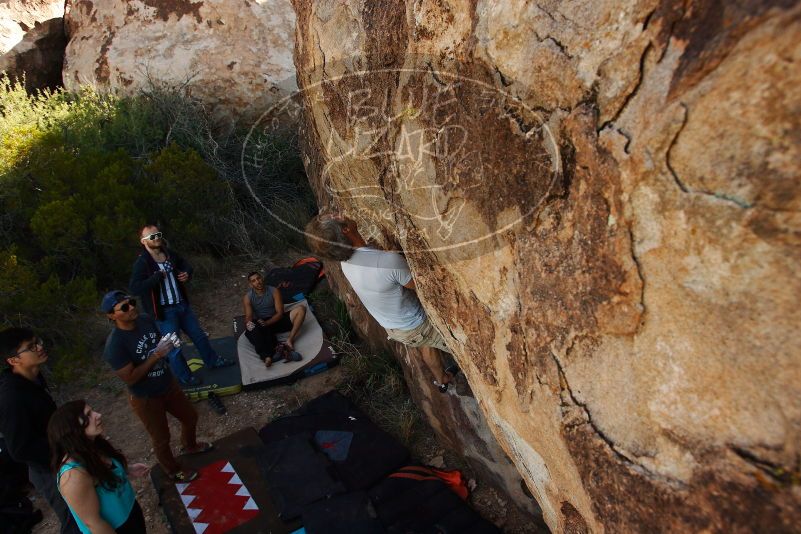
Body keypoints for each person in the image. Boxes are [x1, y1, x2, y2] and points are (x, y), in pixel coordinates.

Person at [304, 213, 458, 391]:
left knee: (425, 344)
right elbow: (420, 286)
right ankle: (451, 374)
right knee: (458, 345)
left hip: (393, 325)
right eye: (336, 216)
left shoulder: (346, 262)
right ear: (345, 230)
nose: (339, 212)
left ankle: (442, 380)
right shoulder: (386, 262)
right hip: (413, 323)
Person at [101, 290, 213, 482]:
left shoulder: (144, 320)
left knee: (190, 417)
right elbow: (130, 378)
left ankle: (189, 445)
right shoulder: (115, 346)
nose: (132, 308)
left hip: (167, 384)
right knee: (161, 439)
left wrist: (168, 344)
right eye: (124, 307)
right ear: (112, 316)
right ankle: (173, 470)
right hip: (146, 397)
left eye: (132, 302)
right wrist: (156, 356)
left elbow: (158, 341)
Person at [129, 224, 234, 386]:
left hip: (182, 305)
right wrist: (155, 278)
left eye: (158, 234)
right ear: (143, 241)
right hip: (164, 312)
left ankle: (213, 361)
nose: (156, 238)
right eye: (151, 237)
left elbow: (186, 265)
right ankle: (185, 376)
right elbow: (135, 287)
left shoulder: (168, 253)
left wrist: (187, 274)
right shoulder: (143, 263)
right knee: (173, 347)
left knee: (199, 336)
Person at [0, 327, 80, 533]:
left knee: (86, 508)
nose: (39, 347)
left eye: (38, 341)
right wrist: (60, 455)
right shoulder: (12, 398)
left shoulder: (33, 377)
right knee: (74, 519)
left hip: (62, 457)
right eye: (31, 347)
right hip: (48, 469)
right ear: (13, 360)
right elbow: (19, 449)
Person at [48, 400, 149, 534]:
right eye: (88, 415)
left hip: (130, 514)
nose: (98, 415)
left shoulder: (92, 445)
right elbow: (93, 523)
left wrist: (127, 469)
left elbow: (104, 471)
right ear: (72, 429)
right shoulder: (73, 476)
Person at [243, 271, 306, 367]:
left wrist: (268, 322)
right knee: (251, 329)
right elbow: (248, 316)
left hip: (275, 320)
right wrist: (249, 323)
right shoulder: (248, 297)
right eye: (254, 281)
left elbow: (280, 313)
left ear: (262, 278)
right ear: (251, 284)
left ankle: (289, 340)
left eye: (258, 278)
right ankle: (269, 355)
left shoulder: (273, 291)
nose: (258, 282)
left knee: (301, 309)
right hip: (261, 324)